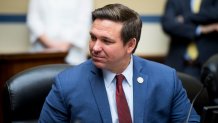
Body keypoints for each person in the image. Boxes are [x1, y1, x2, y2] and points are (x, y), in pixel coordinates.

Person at [39, 3, 200, 123]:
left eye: (106, 41)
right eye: (93, 37)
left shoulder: (165, 79)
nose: (95, 47)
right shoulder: (67, 83)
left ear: (130, 45)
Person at [161, 0, 218, 79]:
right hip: (178, 64)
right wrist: (200, 29)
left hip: (207, 67)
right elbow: (168, 25)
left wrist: (185, 18)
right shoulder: (175, 1)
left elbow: (215, 14)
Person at [27, 0, 93, 65]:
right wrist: (50, 45)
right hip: (42, 51)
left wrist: (64, 47)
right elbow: (33, 20)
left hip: (73, 53)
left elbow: (84, 21)